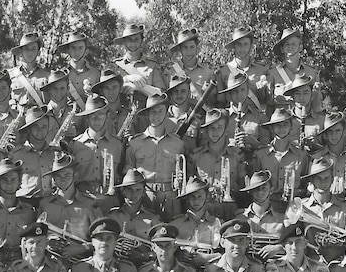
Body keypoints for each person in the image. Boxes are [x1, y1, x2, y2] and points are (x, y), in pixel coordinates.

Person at [125, 92, 186, 221]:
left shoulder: (177, 143)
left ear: (166, 113)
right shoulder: (135, 143)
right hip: (145, 196)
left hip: (170, 197)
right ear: (147, 114)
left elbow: (182, 170)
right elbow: (128, 170)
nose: (156, 116)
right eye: (152, 112)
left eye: (160, 111)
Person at [39, 154, 102, 256]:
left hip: (83, 263)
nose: (62, 179)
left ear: (75, 176)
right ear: (53, 179)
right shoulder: (45, 204)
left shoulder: (89, 204)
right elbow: (37, 236)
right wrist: (48, 242)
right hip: (51, 262)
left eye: (67, 175)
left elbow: (101, 239)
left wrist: (82, 248)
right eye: (58, 176)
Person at [0, 158, 36, 265]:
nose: (9, 184)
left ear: (20, 182)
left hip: (19, 265)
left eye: (13, 180)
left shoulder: (28, 212)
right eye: (5, 180)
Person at [188, 108, 244, 219]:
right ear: (205, 130)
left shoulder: (237, 156)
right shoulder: (195, 156)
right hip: (204, 210)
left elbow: (243, 187)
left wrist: (230, 186)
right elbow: (189, 188)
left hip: (230, 209)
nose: (215, 132)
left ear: (226, 130)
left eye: (219, 127)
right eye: (211, 128)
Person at [298, 156, 346, 262]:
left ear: (332, 180)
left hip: (338, 264)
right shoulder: (301, 207)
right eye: (318, 178)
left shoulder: (345, 209)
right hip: (309, 263)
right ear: (311, 180)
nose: (323, 182)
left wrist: (338, 250)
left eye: (326, 178)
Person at [254, 107, 307, 205]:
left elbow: (305, 185)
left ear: (291, 127)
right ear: (271, 128)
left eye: (285, 124)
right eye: (277, 125)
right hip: (267, 205)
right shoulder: (261, 154)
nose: (281, 128)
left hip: (292, 205)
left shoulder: (301, 155)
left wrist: (296, 192)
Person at [72, 95, 124, 196]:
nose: (96, 120)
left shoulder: (117, 145)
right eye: (92, 116)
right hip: (83, 199)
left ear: (107, 116)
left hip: (108, 200)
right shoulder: (76, 145)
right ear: (86, 118)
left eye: (100, 115)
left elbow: (121, 174)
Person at [9, 107, 58, 201]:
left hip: (51, 203)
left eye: (44, 127)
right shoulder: (16, 155)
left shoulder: (55, 153)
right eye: (36, 127)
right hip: (25, 204)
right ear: (28, 129)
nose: (40, 131)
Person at [217, 26, 270, 107]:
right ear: (234, 46)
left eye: (245, 44)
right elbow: (221, 103)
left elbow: (267, 101)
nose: (242, 48)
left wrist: (261, 91)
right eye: (239, 44)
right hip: (232, 118)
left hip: (256, 117)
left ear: (251, 46)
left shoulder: (262, 70)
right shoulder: (224, 71)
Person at [162, 28, 216, 104]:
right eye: (185, 47)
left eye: (192, 47)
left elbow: (213, 102)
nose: (189, 51)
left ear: (197, 48)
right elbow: (165, 98)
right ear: (180, 50)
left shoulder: (208, 73)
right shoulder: (171, 71)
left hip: (200, 114)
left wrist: (207, 94)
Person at [112, 23, 166, 90]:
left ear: (141, 41)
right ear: (123, 42)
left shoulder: (153, 66)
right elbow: (108, 90)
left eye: (136, 39)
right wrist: (126, 79)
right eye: (129, 39)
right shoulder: (115, 66)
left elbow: (161, 94)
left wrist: (140, 87)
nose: (133, 43)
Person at [56, 31, 100, 111]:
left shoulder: (96, 74)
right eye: (73, 48)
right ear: (68, 50)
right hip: (67, 118)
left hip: (90, 118)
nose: (77, 51)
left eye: (80, 48)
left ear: (86, 52)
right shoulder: (60, 75)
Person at [8, 31, 50, 107]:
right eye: (27, 49)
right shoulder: (10, 76)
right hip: (17, 117)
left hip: (40, 117)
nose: (30, 52)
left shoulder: (48, 76)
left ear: (38, 52)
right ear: (21, 52)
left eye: (33, 49)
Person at [283, 74, 325, 147]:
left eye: (305, 93)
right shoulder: (284, 119)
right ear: (292, 96)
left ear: (312, 95)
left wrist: (315, 146)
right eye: (297, 93)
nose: (301, 98)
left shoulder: (322, 120)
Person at [240, 171, 286, 235]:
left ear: (271, 190)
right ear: (250, 191)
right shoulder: (240, 218)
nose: (260, 192)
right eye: (256, 189)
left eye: (264, 188)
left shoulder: (282, 220)